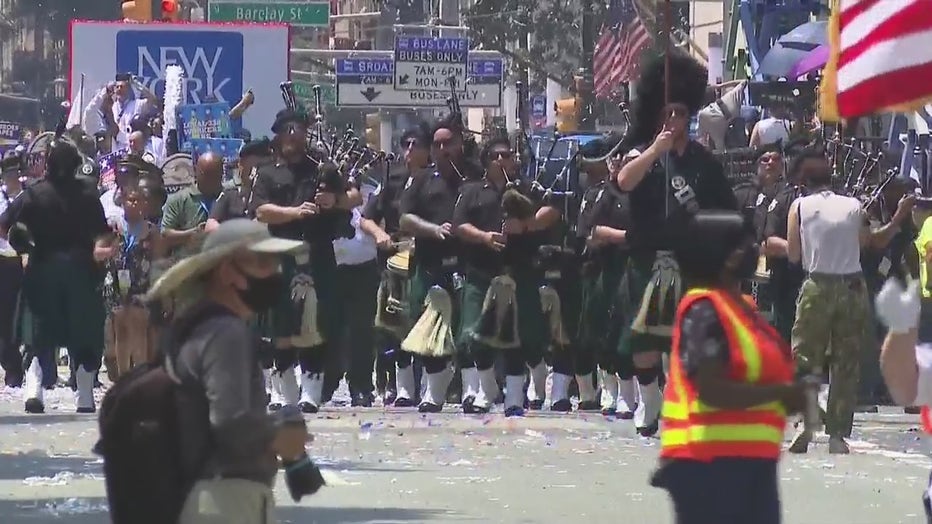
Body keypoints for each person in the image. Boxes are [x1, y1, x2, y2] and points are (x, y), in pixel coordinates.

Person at [143, 218, 311, 524]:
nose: (275, 273)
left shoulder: (195, 324)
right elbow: (231, 422)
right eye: (262, 262)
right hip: (226, 500)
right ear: (227, 272)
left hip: (204, 494)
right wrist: (282, 434)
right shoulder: (225, 331)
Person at [650, 209, 804, 524]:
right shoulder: (704, 309)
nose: (756, 251)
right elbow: (709, 389)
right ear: (729, 257)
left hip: (752, 465)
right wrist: (780, 395)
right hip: (708, 465)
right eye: (748, 244)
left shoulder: (746, 312)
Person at [613, 51, 738, 435]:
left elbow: (724, 209)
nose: (673, 120)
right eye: (667, 113)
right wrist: (655, 150)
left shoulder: (705, 162)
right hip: (647, 259)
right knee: (644, 340)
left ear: (690, 116)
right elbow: (623, 182)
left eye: (680, 113)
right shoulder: (642, 154)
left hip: (691, 262)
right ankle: (649, 407)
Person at [785, 147, 911, 454]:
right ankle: (837, 435)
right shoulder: (854, 206)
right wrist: (898, 218)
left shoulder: (799, 206)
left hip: (816, 285)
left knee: (804, 359)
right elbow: (873, 242)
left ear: (804, 182)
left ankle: (805, 422)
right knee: (846, 362)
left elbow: (793, 254)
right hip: (852, 286)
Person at [250, 109, 361, 413]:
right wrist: (296, 212)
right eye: (285, 130)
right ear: (279, 135)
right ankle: (284, 391)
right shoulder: (268, 172)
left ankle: (310, 391)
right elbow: (261, 211)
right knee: (281, 322)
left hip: (317, 252)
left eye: (296, 129)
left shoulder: (322, 168)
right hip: (281, 252)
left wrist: (334, 201)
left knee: (316, 320)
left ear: (304, 132)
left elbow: (355, 197)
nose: (291, 135)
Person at [0, 136, 113, 413]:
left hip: (42, 269)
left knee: (38, 335)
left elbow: (3, 227)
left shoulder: (34, 194)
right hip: (80, 271)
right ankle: (84, 394)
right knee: (84, 334)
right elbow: (104, 236)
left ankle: (34, 387)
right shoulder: (89, 196)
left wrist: (22, 245)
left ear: (48, 165)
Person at [454, 137, 558, 416]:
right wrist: (485, 237)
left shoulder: (526, 188)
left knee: (518, 337)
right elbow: (459, 225)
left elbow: (550, 211)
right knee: (474, 337)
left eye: (507, 155)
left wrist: (526, 225)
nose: (502, 160)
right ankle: (487, 390)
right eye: (496, 156)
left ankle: (514, 398)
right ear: (486, 161)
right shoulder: (472, 191)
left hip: (518, 271)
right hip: (481, 272)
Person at [397, 118, 466, 413]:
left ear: (460, 144)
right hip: (430, 264)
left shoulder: (473, 178)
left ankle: (473, 392)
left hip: (468, 265)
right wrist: (433, 229)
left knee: (468, 331)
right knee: (429, 330)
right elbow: (405, 219)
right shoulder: (422, 179)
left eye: (447, 142)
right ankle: (433, 394)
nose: (442, 149)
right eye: (437, 144)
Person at [361, 122, 432, 405]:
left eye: (417, 145)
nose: (410, 151)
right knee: (393, 323)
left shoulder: (437, 180)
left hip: (430, 257)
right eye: (407, 145)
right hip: (396, 258)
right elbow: (366, 218)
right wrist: (380, 235)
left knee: (426, 321)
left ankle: (431, 387)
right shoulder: (392, 178)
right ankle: (400, 387)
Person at [580, 137, 638, 417]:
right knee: (604, 331)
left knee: (631, 332)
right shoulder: (600, 194)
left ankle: (633, 394)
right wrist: (625, 237)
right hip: (606, 268)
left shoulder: (644, 194)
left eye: (625, 158)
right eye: (615, 158)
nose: (618, 163)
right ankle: (610, 392)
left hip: (637, 267)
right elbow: (590, 234)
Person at [101, 184, 164, 380]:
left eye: (139, 200)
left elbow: (158, 259)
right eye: (130, 199)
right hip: (117, 285)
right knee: (121, 332)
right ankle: (123, 377)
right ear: (123, 201)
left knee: (140, 332)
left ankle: (140, 377)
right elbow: (98, 251)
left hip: (141, 285)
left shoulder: (151, 231)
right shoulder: (113, 227)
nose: (134, 203)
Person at [161, 151, 224, 260]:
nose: (212, 180)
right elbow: (166, 235)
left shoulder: (228, 196)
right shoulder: (178, 200)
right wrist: (192, 234)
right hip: (189, 264)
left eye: (216, 175)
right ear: (195, 171)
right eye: (207, 174)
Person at [206, 139, 273, 230]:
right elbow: (210, 224)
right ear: (240, 165)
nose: (256, 173)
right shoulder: (231, 193)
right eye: (252, 168)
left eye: (261, 167)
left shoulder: (273, 194)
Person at [0, 155, 25, 386]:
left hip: (20, 262)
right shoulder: (1, 197)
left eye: (15, 173)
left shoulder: (27, 196)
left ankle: (16, 369)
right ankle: (10, 365)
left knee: (15, 318)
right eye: (8, 173)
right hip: (2, 260)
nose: (12, 177)